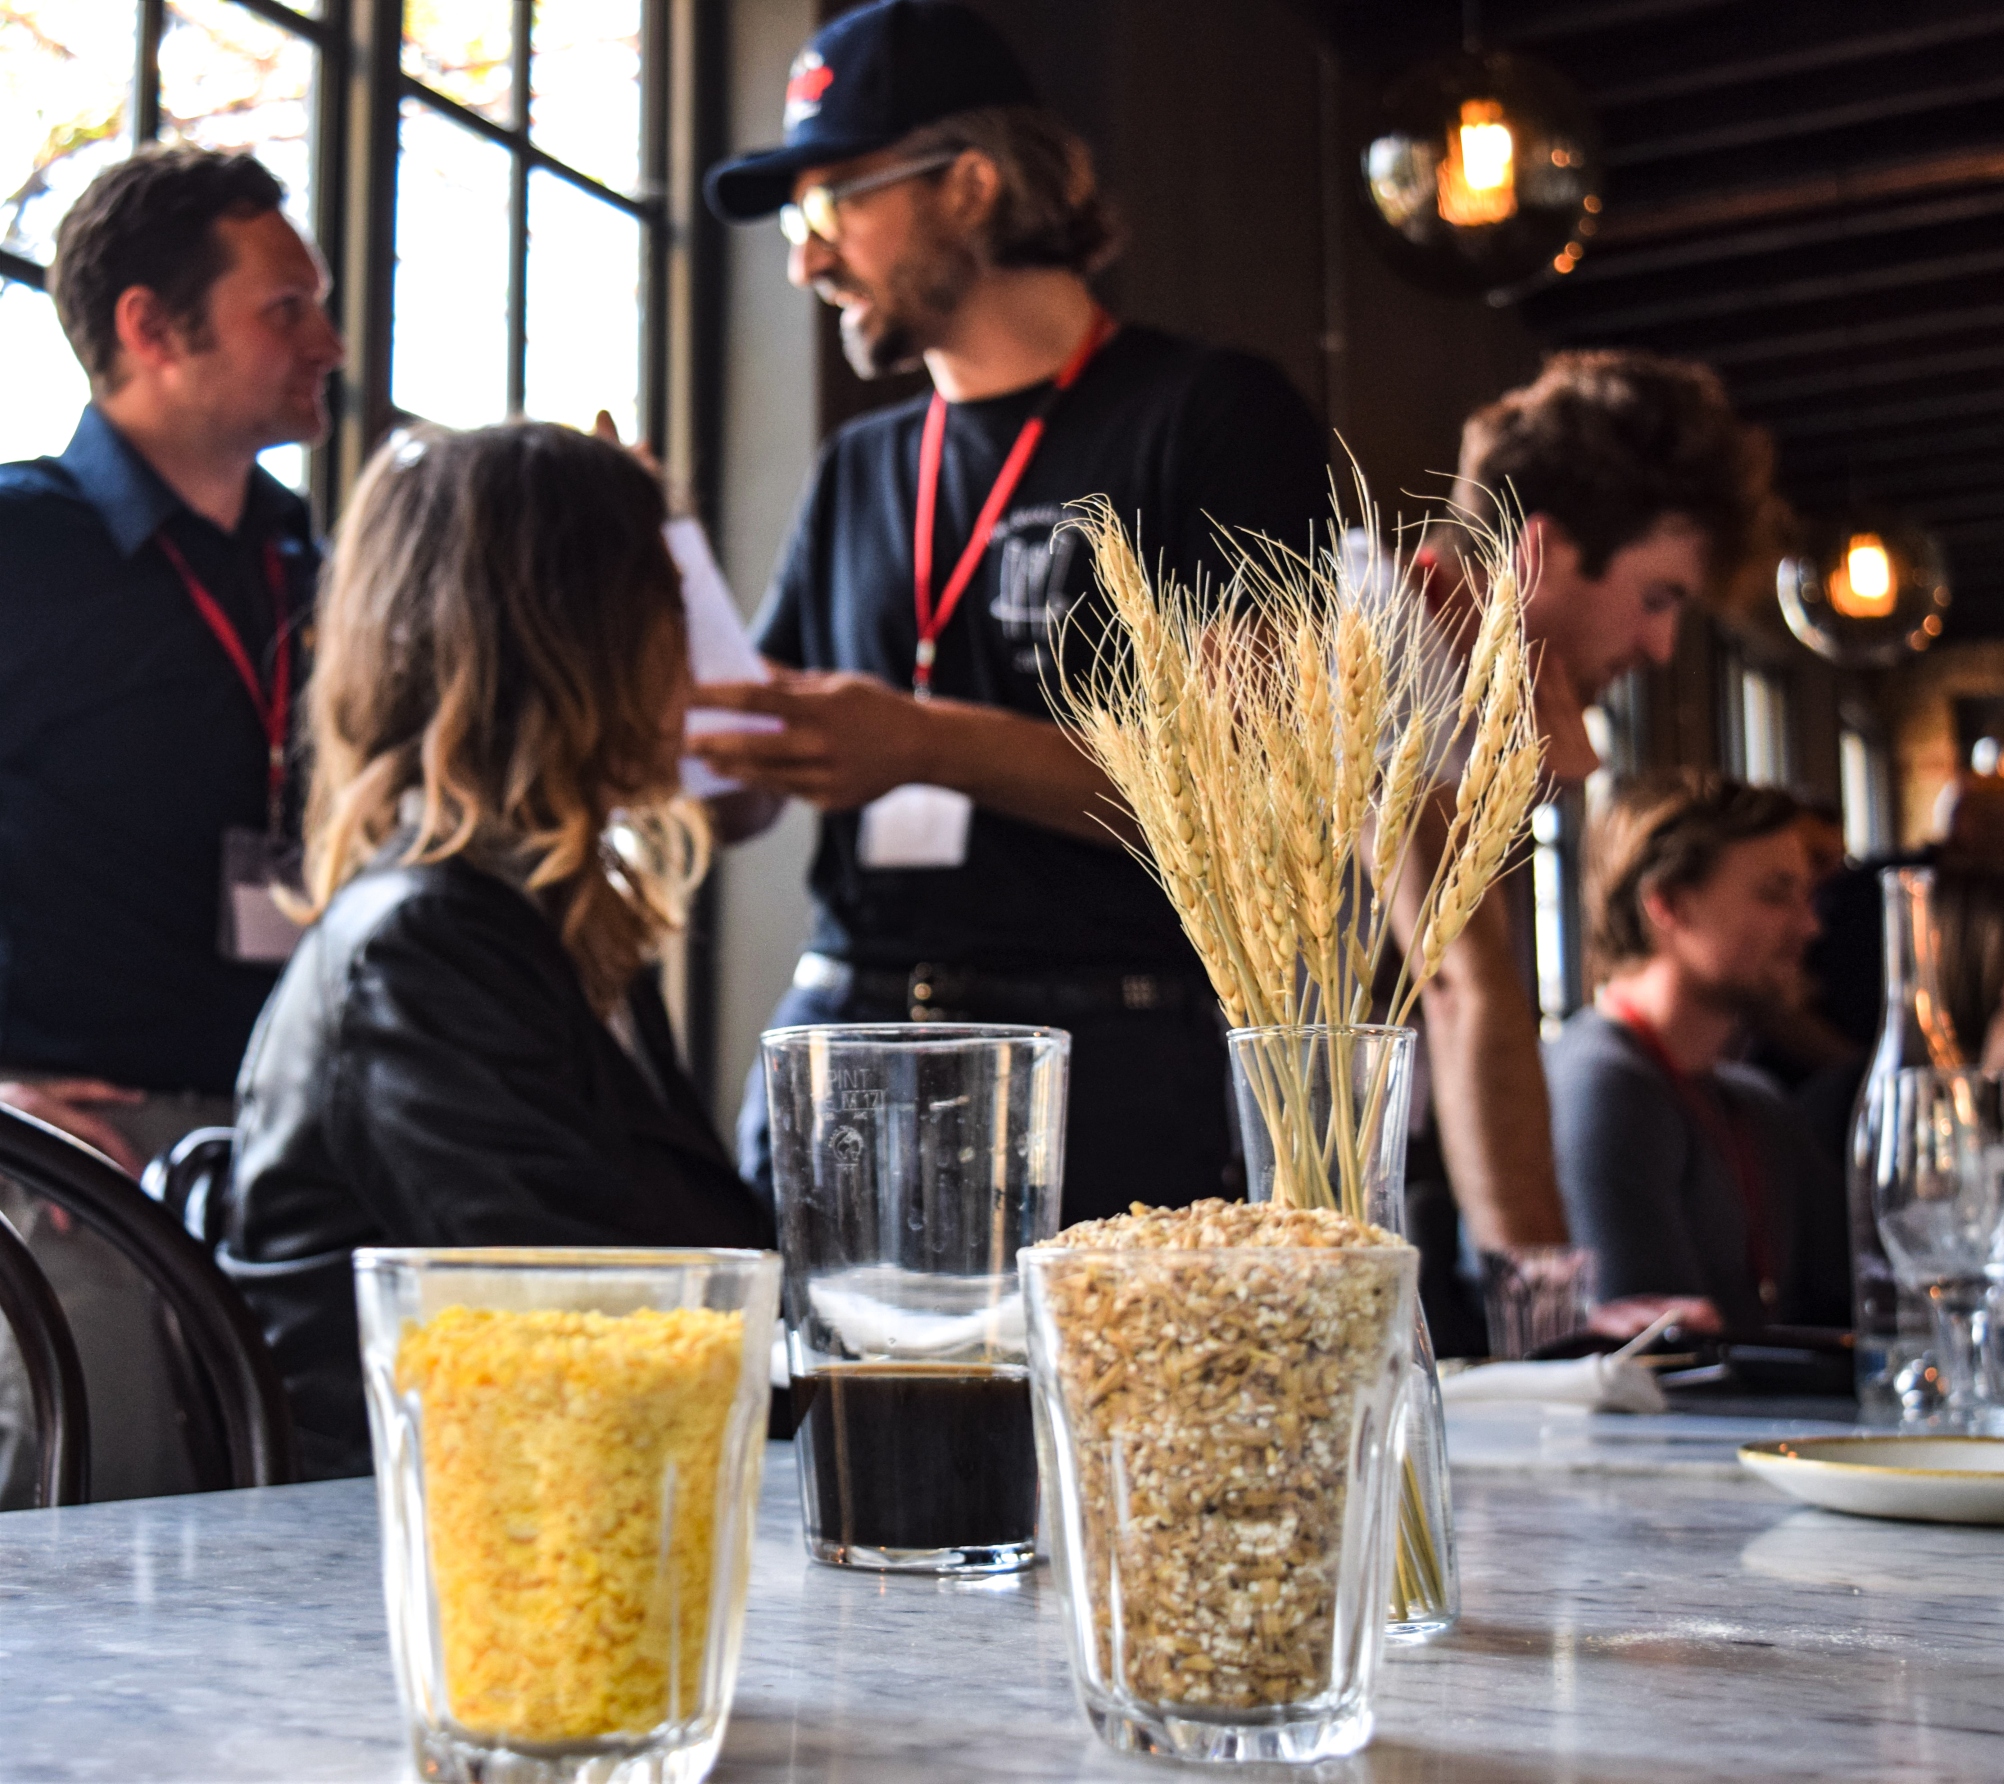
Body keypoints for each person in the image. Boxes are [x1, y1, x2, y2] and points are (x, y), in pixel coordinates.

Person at [692, 0, 1329, 1227]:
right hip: (848, 1044)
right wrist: (666, 699)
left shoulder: (1209, 414)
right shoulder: (854, 466)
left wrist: (925, 741)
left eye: (830, 207)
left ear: (969, 186)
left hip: (1112, 1054)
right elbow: (745, 786)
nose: (804, 260)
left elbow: (1245, 794)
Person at [220, 422, 774, 1478]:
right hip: (435, 1571)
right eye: (669, 598)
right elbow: (605, 1325)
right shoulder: (423, 949)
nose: (697, 648)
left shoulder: (538, 919)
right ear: (584, 636)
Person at [1390, 350, 1778, 1349]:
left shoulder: (1447, 676)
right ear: (1540, 549)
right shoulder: (1386, 657)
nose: (1658, 649)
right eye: (1658, 596)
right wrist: (1553, 1339)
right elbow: (1462, 987)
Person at [0, 147, 343, 1172]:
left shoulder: (315, 567)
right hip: (78, 1159)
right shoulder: (19, 544)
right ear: (150, 327)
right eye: (286, 309)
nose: (328, 343)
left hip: (308, 1141)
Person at [1545, 771, 1850, 1334]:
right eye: (1775, 894)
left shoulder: (1757, 1104)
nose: (1808, 926)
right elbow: (1658, 1357)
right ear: (1670, 904)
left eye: (1805, 897)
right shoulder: (1602, 1087)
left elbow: (1868, 1291)